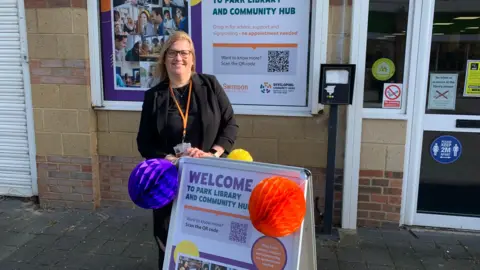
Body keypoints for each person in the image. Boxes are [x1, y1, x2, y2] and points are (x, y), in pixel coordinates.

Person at [136, 31, 238, 269]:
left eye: (184, 52)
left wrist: (213, 153)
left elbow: (230, 124)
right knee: (168, 238)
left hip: (207, 178)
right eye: (172, 52)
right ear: (164, 58)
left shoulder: (210, 85)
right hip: (169, 178)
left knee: (207, 237)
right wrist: (168, 158)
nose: (178, 58)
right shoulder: (154, 96)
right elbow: (144, 142)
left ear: (192, 58)